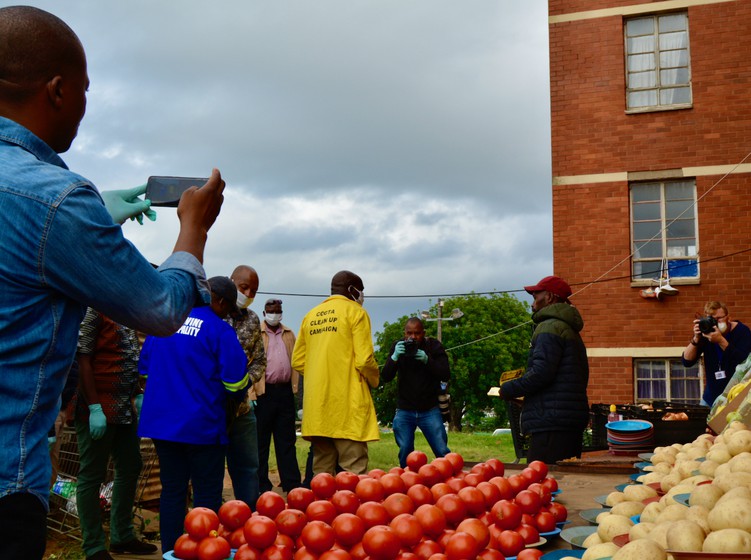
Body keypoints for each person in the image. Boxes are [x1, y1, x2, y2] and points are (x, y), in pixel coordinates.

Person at [0, 7, 225, 559]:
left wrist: (89, 217)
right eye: (84, 90)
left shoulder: (56, 206)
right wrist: (192, 231)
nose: (83, 105)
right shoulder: (56, 200)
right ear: (57, 90)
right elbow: (161, 309)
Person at [138, 277, 249, 553]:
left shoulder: (164, 324)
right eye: (228, 308)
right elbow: (236, 383)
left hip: (163, 426)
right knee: (206, 497)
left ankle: (171, 552)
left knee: (172, 491)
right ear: (219, 301)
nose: (228, 315)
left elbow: (145, 372)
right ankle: (204, 552)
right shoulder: (219, 330)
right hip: (202, 427)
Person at [74, 309, 156, 560]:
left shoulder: (126, 313)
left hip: (123, 406)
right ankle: (94, 546)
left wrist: (138, 391)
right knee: (92, 474)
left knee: (131, 465)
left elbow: (130, 358)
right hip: (97, 406)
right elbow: (82, 359)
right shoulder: (94, 312)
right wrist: (94, 407)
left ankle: (122, 536)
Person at [291, 270, 380, 475]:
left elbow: (297, 360)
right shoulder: (356, 312)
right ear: (351, 290)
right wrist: (374, 379)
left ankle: (319, 507)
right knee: (353, 471)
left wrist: (320, 370)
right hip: (347, 406)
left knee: (322, 474)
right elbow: (365, 360)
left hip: (318, 409)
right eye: (361, 291)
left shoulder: (310, 316)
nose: (362, 296)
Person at [499, 276, 589, 464]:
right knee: (564, 483)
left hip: (551, 423)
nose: (532, 303)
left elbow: (541, 373)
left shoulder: (549, 327)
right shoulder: (569, 329)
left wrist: (509, 389)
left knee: (539, 482)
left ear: (549, 298)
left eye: (535, 296)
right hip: (566, 419)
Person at [381, 317, 451, 468]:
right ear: (404, 333)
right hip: (405, 409)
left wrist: (427, 360)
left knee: (442, 450)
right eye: (409, 333)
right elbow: (386, 376)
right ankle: (406, 481)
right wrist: (394, 358)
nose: (412, 337)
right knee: (405, 449)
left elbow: (445, 374)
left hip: (430, 409)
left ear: (423, 333)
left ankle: (449, 480)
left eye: (417, 333)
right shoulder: (398, 346)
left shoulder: (433, 346)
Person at [225, 265, 265, 508]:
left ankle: (248, 519)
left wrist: (247, 381)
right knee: (208, 468)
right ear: (231, 283)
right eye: (244, 287)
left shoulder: (252, 319)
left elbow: (260, 359)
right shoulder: (210, 313)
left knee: (248, 466)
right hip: (211, 409)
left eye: (253, 291)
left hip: (241, 408)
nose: (248, 293)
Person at [257, 298, 302, 493]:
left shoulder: (289, 334)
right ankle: (261, 484)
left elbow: (297, 363)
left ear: (281, 312)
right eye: (271, 311)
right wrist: (251, 394)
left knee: (286, 440)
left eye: (277, 310)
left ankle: (291, 482)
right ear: (264, 312)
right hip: (263, 393)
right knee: (261, 441)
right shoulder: (256, 334)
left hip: (284, 392)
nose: (274, 314)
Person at [682, 301, 751, 407]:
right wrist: (696, 338)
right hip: (711, 397)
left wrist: (720, 340)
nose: (715, 322)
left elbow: (744, 362)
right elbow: (686, 361)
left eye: (719, 318)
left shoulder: (742, 332)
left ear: (729, 317)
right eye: (711, 319)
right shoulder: (706, 332)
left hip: (736, 397)